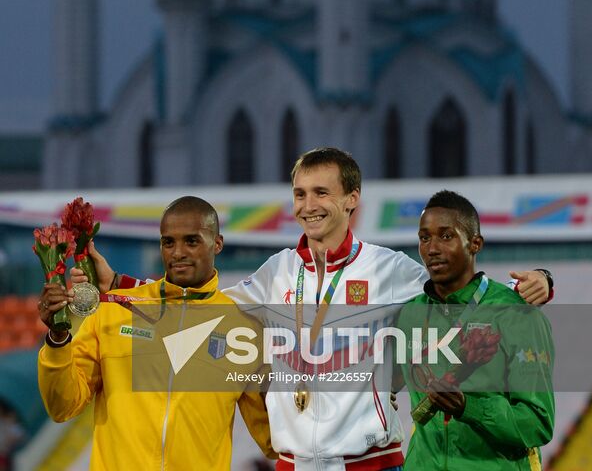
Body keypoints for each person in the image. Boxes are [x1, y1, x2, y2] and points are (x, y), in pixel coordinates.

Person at [79, 149, 554, 471]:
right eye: (301, 194)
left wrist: (535, 282)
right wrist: (124, 285)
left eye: (321, 193)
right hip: (293, 464)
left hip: (369, 462)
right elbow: (204, 304)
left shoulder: (388, 269)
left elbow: (460, 282)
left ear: (352, 199)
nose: (309, 205)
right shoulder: (276, 272)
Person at [37, 196, 274, 470]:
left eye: (192, 241)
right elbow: (62, 406)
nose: (178, 253)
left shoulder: (243, 329)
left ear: (217, 243)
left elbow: (272, 440)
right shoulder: (116, 309)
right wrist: (57, 340)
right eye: (168, 242)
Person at [399, 190, 554, 471]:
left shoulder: (516, 314)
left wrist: (468, 408)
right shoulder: (409, 313)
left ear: (475, 243)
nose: (432, 248)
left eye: (446, 236)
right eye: (425, 238)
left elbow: (538, 424)